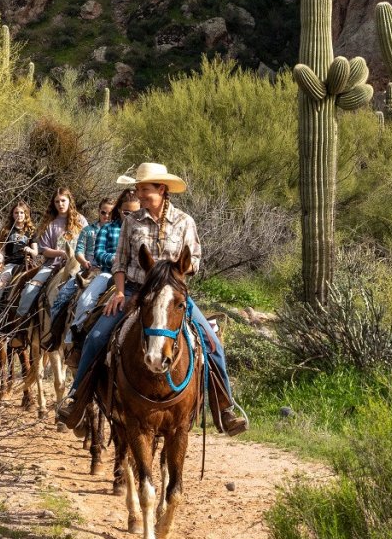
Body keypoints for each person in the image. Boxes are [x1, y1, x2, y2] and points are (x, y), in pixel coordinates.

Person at [56, 162, 249, 436]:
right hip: (136, 291)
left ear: (161, 189)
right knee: (97, 336)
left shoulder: (184, 221)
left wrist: (177, 269)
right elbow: (120, 262)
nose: (139, 194)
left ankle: (224, 408)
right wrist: (120, 292)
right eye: (138, 189)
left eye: (144, 190)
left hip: (171, 295)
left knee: (212, 343)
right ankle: (77, 400)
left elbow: (194, 258)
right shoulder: (131, 222)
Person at [62, 187, 139, 348]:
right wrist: (118, 259)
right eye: (126, 212)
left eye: (135, 213)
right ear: (119, 210)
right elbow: (99, 253)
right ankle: (76, 336)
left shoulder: (142, 229)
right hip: (108, 273)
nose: (130, 217)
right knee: (85, 300)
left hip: (136, 276)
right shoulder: (108, 228)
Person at [14, 186, 88, 320]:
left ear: (69, 201)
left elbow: (89, 242)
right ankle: (20, 322)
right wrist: (61, 253)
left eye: (63, 200)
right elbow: (44, 250)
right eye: (57, 201)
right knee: (30, 290)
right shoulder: (51, 224)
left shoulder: (81, 220)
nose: (60, 204)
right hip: (53, 266)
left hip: (79, 266)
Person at [0, 200, 37, 318]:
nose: (19, 215)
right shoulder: (7, 230)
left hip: (27, 265)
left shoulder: (31, 231)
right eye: (16, 213)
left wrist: (29, 250)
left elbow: (36, 252)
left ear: (26, 214)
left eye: (22, 213)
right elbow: (2, 251)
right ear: (12, 214)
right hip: (11, 265)